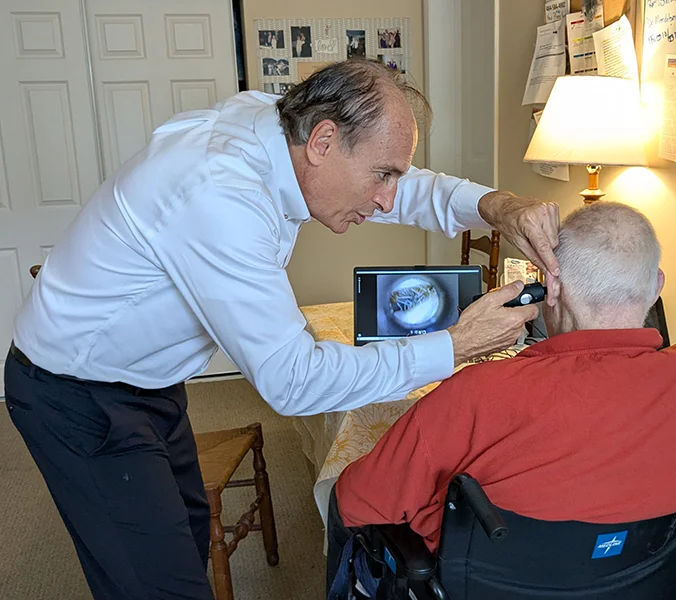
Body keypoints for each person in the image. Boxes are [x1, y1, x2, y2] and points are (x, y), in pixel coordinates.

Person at [4, 59, 560, 600]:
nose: (389, 197)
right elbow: (294, 380)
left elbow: (407, 189)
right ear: (322, 142)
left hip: (150, 380)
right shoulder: (219, 192)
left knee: (187, 532)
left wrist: (498, 205)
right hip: (77, 387)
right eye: (383, 175)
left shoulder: (281, 125)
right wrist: (456, 344)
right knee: (156, 582)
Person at [327, 201, 676, 590]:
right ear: (656, 287)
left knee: (334, 496)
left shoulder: (476, 392)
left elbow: (357, 500)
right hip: (643, 585)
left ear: (552, 287)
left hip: (487, 587)